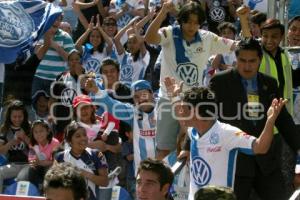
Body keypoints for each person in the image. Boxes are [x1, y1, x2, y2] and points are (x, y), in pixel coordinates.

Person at [144, 1, 250, 159]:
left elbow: (243, 46)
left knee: (194, 149)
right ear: (180, 21)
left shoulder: (207, 38)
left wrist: (243, 19)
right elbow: (150, 38)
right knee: (163, 151)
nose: (191, 26)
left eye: (196, 22)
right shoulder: (169, 33)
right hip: (167, 99)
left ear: (200, 23)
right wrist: (163, 12)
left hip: (194, 102)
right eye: (188, 21)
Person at [165, 76, 286, 199]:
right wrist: (174, 96)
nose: (180, 112)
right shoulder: (193, 131)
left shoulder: (227, 133)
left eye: (184, 108)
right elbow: (182, 120)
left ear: (195, 111)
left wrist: (270, 120)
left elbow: (261, 147)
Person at [209, 38, 300, 199]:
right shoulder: (220, 81)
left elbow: (283, 119)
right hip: (234, 163)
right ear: (236, 59)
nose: (247, 65)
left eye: (252, 61)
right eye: (242, 60)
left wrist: (298, 150)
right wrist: (189, 147)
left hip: (266, 162)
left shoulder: (270, 83)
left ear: (260, 59)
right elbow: (207, 114)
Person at [84, 78, 156, 174]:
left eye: (144, 95)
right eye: (136, 97)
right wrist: (97, 91)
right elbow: (113, 105)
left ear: (152, 94)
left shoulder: (164, 110)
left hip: (167, 169)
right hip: (142, 172)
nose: (141, 100)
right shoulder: (132, 113)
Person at [55, 121, 109, 200]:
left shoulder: (96, 154)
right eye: (78, 136)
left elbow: (105, 182)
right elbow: (53, 182)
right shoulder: (60, 157)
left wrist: (83, 173)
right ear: (70, 141)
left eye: (84, 135)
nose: (83, 138)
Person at [18, 119, 60, 189]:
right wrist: (33, 162)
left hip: (50, 167)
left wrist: (41, 162)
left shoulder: (55, 143)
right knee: (25, 174)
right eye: (36, 132)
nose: (38, 134)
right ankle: (34, 191)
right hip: (38, 167)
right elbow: (31, 159)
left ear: (48, 131)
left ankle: (46, 192)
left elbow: (55, 161)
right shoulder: (32, 143)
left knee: (51, 171)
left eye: (41, 131)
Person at [0, 100, 31, 192]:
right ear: (9, 116)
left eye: (20, 116)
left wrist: (25, 137)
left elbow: (37, 147)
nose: (17, 119)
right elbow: (1, 151)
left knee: (22, 179)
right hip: (12, 165)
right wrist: (10, 143)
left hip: (28, 165)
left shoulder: (29, 127)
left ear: (24, 116)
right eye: (14, 116)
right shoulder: (4, 129)